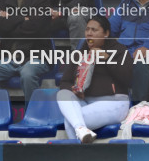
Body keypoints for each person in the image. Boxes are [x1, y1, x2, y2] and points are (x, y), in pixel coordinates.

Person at [56, 15, 132, 143]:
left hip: (114, 103)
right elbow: (64, 82)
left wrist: (107, 59)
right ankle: (81, 129)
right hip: (86, 101)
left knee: (70, 122)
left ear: (106, 33)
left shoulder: (119, 50)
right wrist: (74, 90)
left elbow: (128, 79)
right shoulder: (80, 53)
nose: (89, 33)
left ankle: (79, 139)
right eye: (87, 30)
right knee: (63, 93)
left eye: (94, 30)